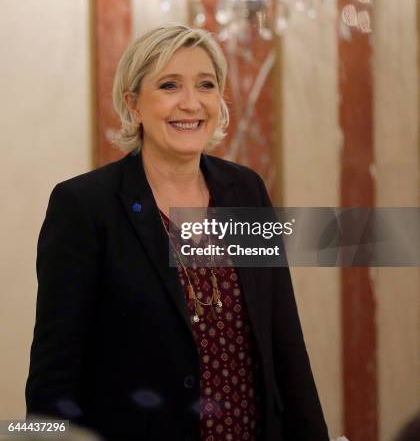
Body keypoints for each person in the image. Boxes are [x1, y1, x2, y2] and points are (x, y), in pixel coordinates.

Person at [26, 24, 329, 441]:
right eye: (169, 86)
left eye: (206, 85)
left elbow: (285, 341)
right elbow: (54, 372)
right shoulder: (84, 206)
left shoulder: (246, 190)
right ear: (133, 104)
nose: (191, 103)